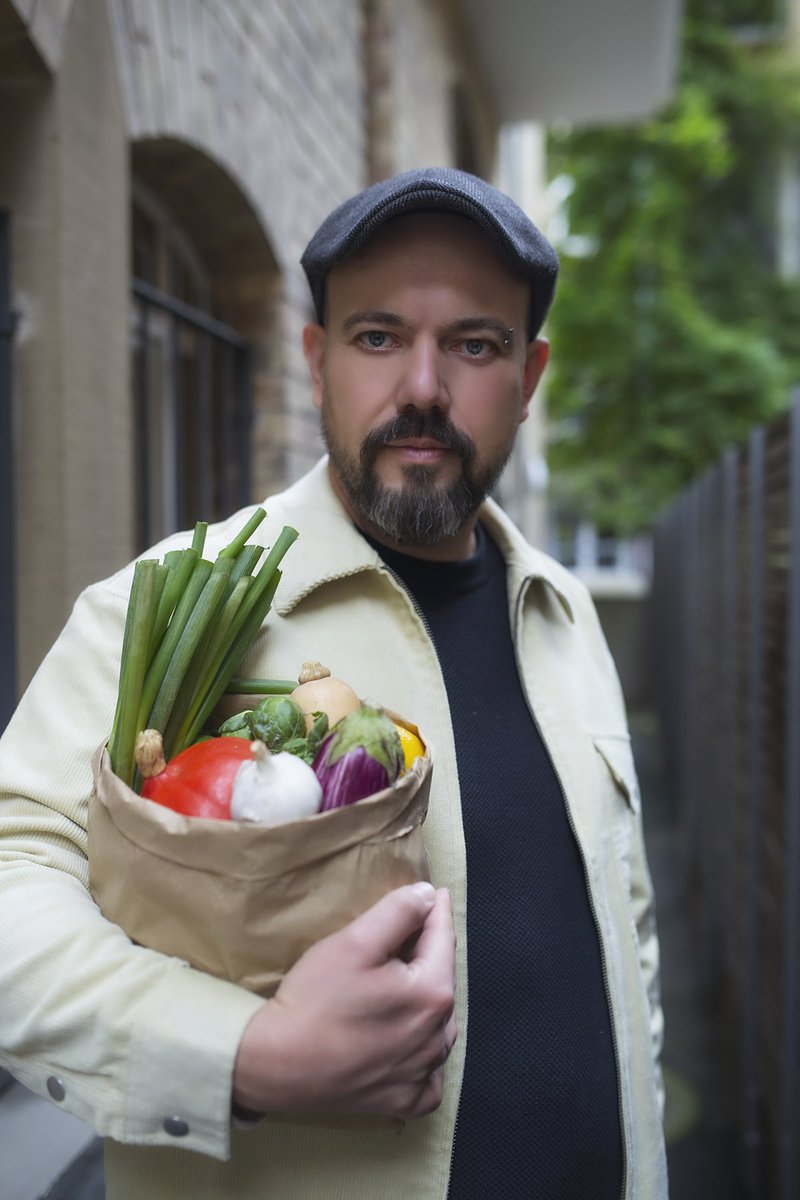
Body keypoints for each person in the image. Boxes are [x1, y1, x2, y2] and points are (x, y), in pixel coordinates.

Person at [0, 167, 667, 1199]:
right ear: (314, 362)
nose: (422, 389)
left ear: (527, 377)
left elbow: (630, 955)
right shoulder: (170, 608)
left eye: (474, 345)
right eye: (376, 336)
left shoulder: (565, 619)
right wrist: (242, 1055)